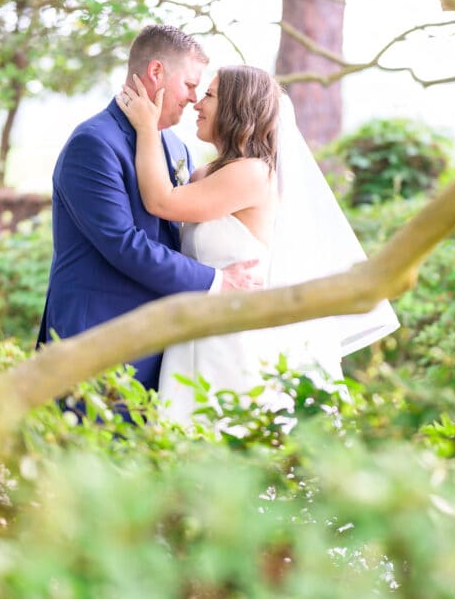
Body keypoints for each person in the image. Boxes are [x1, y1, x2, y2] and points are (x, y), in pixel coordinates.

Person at [118, 65, 399, 424]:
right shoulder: (207, 173)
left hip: (235, 336)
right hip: (198, 328)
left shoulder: (252, 173)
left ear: (236, 107)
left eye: (210, 95)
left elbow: (162, 202)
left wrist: (146, 128)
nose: (197, 104)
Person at [36, 26, 262, 398]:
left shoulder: (176, 148)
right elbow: (124, 244)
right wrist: (218, 281)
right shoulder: (94, 143)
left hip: (163, 348)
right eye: (190, 85)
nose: (193, 99)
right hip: (99, 340)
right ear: (157, 72)